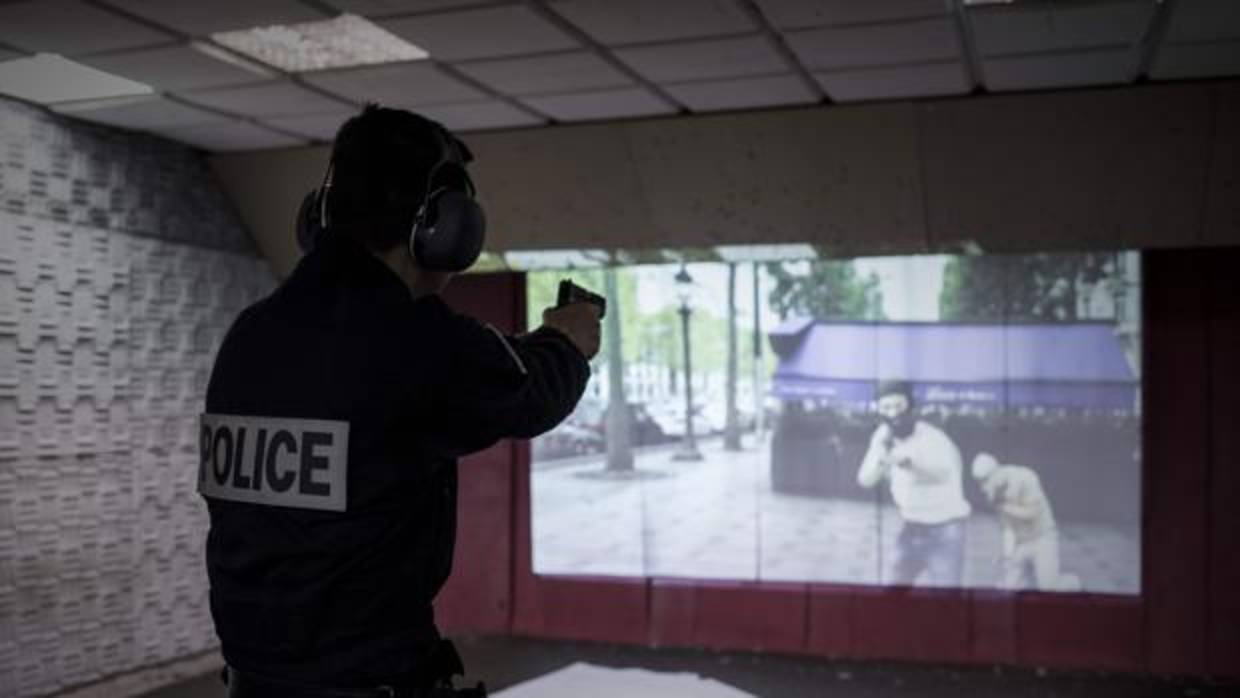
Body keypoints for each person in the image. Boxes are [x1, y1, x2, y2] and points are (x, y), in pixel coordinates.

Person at [199, 105, 600, 697]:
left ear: (321, 214)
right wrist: (569, 337)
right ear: (440, 225)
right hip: (369, 681)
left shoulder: (250, 335)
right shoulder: (411, 336)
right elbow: (530, 393)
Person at [856, 381, 971, 586]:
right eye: (886, 408)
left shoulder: (934, 438)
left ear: (911, 407)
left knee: (947, 599)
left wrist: (909, 463)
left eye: (899, 406)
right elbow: (865, 480)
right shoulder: (883, 436)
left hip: (946, 528)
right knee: (892, 590)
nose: (893, 414)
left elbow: (944, 475)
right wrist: (881, 457)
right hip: (911, 527)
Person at [972, 452, 1081, 592]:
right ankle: (1029, 575)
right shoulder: (992, 493)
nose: (983, 487)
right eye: (980, 482)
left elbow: (1031, 513)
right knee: (1009, 588)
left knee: (1048, 587)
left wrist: (1004, 507)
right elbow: (1007, 528)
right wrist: (1008, 556)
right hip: (1021, 543)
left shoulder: (1025, 477)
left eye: (986, 480)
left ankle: (1074, 582)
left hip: (1043, 537)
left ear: (997, 471)